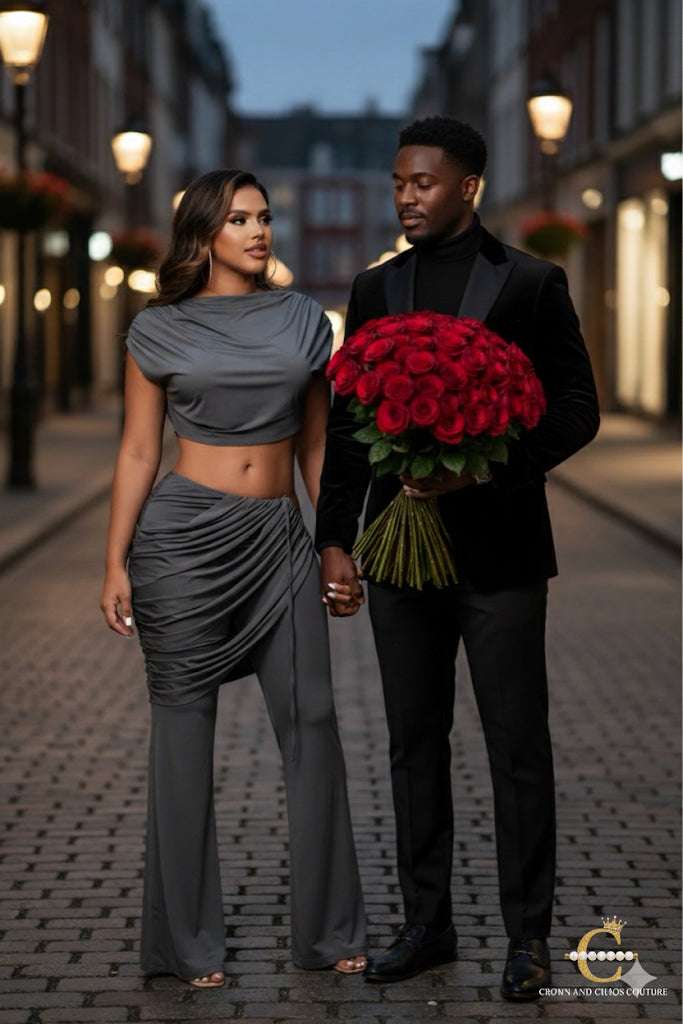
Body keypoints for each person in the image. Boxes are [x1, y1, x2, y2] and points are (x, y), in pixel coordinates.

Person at [315, 117, 599, 1000]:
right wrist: (335, 537)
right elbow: (351, 433)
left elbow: (574, 409)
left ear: (467, 186)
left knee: (517, 747)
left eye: (424, 183)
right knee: (411, 745)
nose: (407, 196)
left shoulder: (530, 282)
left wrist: (485, 466)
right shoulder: (373, 289)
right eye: (399, 182)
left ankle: (529, 939)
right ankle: (425, 926)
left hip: (502, 556)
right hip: (398, 563)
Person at [100, 168, 367, 988]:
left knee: (314, 722)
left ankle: (326, 933)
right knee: (183, 741)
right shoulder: (157, 330)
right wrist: (113, 559)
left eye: (264, 217)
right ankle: (185, 947)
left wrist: (336, 543)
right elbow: (140, 449)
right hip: (180, 545)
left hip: (279, 540)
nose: (259, 231)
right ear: (204, 233)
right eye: (240, 219)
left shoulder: (300, 320)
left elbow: (317, 445)